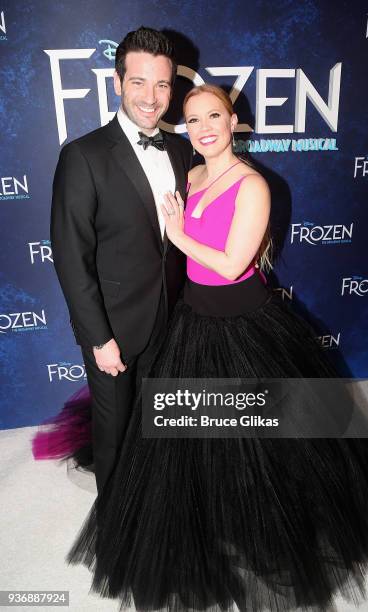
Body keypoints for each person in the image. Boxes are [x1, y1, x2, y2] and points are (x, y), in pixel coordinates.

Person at [46, 85, 368, 611]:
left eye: (214, 116)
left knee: (257, 442)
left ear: (234, 123)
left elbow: (231, 264)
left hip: (243, 323)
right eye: (192, 119)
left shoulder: (253, 185)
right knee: (190, 438)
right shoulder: (192, 174)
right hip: (193, 318)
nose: (203, 127)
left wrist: (176, 232)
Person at [36, 27, 193, 495]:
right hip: (114, 329)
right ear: (117, 82)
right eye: (139, 82)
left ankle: (154, 512)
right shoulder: (83, 156)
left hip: (173, 320)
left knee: (160, 424)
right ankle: (117, 530)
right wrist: (99, 338)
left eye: (162, 84)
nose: (151, 96)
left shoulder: (183, 150)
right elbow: (71, 257)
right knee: (114, 433)